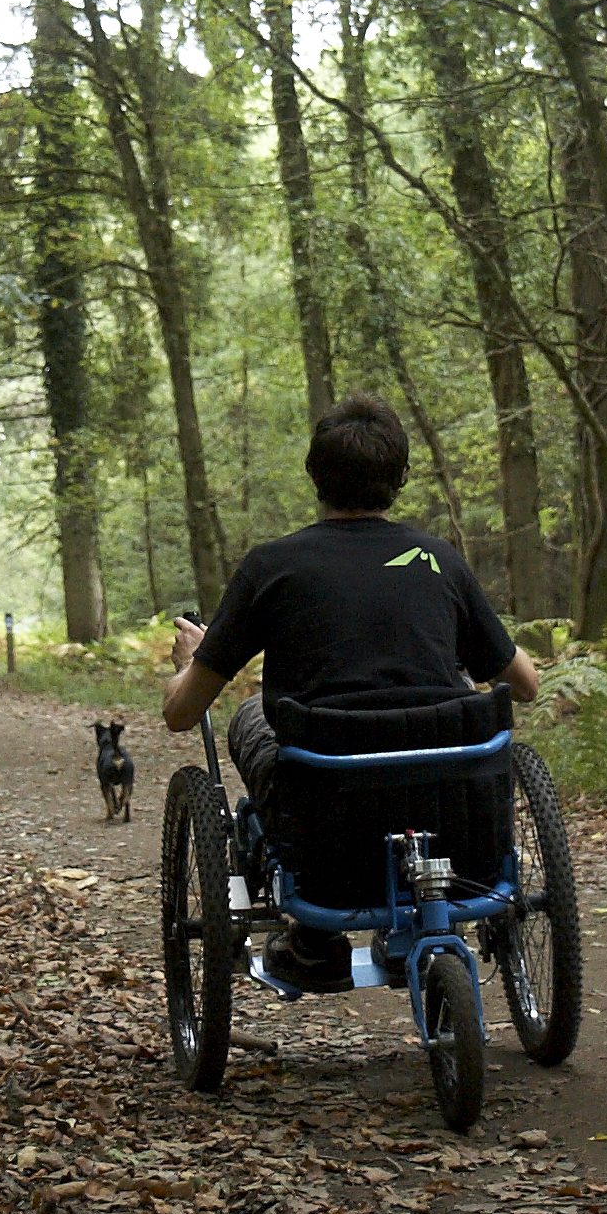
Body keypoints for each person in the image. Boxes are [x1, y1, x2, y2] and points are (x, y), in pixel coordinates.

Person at [164, 394, 542, 988]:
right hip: (446, 790)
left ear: (315, 476)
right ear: (399, 478)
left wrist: (191, 660)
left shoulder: (272, 567)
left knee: (249, 718)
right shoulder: (438, 559)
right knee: (448, 720)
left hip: (328, 800)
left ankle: (315, 937)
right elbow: (524, 685)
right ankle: (427, 907)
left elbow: (182, 712)